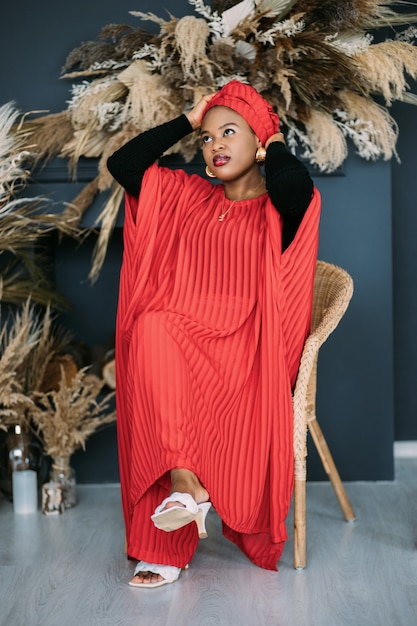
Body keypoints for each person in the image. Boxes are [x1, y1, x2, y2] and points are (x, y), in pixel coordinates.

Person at [107, 80, 321, 588]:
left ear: (260, 144)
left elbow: (293, 183)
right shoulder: (187, 196)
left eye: (230, 132)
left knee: (158, 348)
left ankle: (175, 517)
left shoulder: (281, 206)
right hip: (178, 345)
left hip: (245, 354)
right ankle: (184, 487)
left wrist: (275, 141)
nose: (215, 144)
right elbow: (124, 167)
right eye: (206, 138)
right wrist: (187, 118)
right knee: (153, 326)